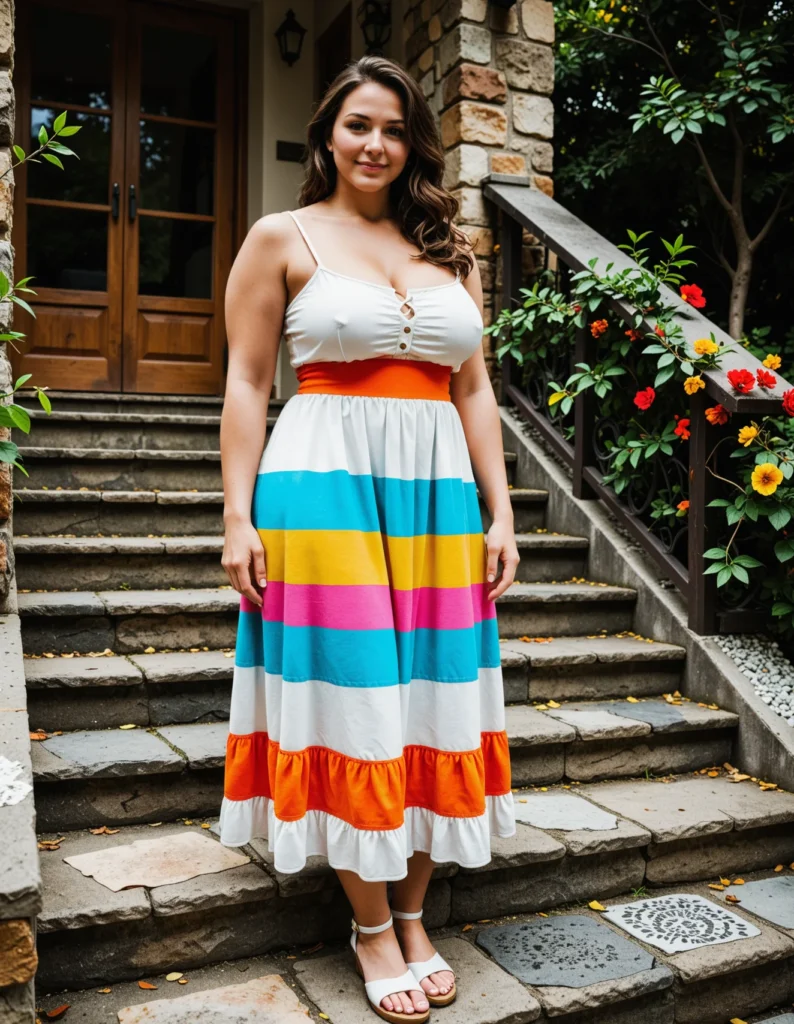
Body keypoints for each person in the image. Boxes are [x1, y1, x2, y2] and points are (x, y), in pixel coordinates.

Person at [218, 55, 518, 1024]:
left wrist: (500, 508)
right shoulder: (282, 235)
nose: (374, 143)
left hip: (435, 501)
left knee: (436, 695)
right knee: (350, 701)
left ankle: (414, 907)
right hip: (320, 492)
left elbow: (472, 389)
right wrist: (233, 515)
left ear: (412, 142)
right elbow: (243, 384)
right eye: (357, 124)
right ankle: (368, 926)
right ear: (326, 134)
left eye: (392, 128)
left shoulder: (448, 249)